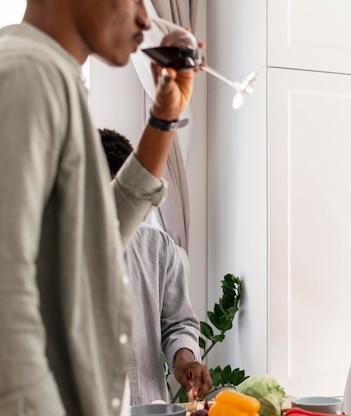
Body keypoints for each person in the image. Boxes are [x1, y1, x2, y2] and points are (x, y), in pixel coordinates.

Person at [0, 1, 202, 415]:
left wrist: (164, 116)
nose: (146, 19)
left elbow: (99, 235)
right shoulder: (28, 74)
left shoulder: (51, 78)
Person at [100, 127, 211, 405]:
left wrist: (184, 358)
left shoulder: (158, 247)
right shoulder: (56, 253)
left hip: (150, 407)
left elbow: (178, 322)